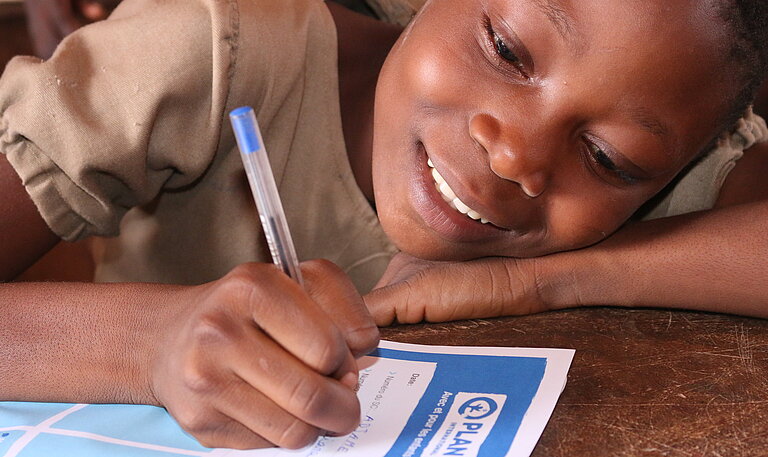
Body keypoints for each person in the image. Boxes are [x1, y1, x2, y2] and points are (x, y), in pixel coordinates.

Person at [1, 0, 766, 451]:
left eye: (608, 157)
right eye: (505, 48)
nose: (515, 156)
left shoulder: (670, 176)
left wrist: (546, 276)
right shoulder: (212, 53)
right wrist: (150, 344)